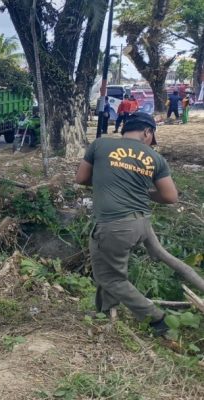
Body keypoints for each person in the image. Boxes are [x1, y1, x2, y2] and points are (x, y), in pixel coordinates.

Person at [75, 112, 178, 337]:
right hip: (141, 224)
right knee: (108, 267)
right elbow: (170, 197)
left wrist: (108, 179)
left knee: (110, 277)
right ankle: (104, 312)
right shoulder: (154, 158)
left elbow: (81, 178)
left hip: (114, 225)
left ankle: (156, 319)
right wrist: (145, 192)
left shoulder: (100, 145)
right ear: (147, 132)